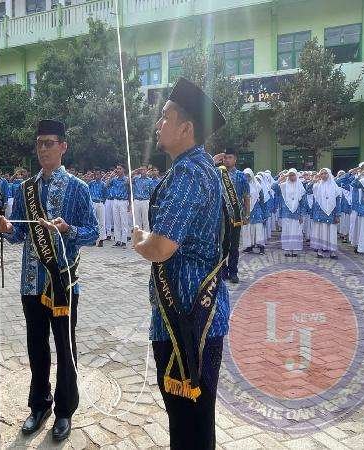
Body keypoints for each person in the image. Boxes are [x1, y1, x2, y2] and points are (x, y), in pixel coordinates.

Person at [132, 77, 229, 450]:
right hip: (198, 312)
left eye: (165, 117)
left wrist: (140, 241)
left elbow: (162, 247)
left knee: (189, 424)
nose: (159, 124)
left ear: (186, 128)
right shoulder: (201, 167)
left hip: (187, 318)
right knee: (195, 424)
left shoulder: (187, 172)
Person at [0, 119, 99, 442]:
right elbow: (20, 234)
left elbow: (93, 232)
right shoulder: (24, 189)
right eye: (39, 143)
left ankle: (65, 411)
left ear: (63, 146)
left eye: (50, 143)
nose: (43, 149)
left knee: (65, 348)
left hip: (62, 283)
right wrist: (7, 228)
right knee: (36, 346)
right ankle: (39, 405)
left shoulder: (78, 188)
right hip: (31, 282)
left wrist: (68, 229)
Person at [219, 148, 249, 283]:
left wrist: (247, 215)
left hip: (236, 216)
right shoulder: (219, 174)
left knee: (234, 246)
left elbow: (246, 197)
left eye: (229, 157)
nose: (227, 160)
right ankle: (222, 271)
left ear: (235, 159)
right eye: (225, 158)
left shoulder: (241, 176)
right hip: (221, 216)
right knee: (222, 245)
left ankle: (233, 272)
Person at [273, 169, 308, 257]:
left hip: (297, 213)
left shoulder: (300, 186)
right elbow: (273, 186)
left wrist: (302, 215)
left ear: (296, 175)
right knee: (287, 231)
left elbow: (303, 203)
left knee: (296, 232)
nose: (292, 177)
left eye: (293, 175)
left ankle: (295, 249)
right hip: (286, 213)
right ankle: (287, 249)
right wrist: (282, 178)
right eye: (290, 175)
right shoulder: (283, 186)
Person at [308, 168, 341, 258]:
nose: (323, 175)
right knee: (320, 232)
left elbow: (338, 201)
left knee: (331, 232)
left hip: (331, 214)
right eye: (321, 174)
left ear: (329, 174)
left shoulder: (334, 186)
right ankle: (320, 251)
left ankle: (332, 252)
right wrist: (313, 180)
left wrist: (337, 215)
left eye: (325, 173)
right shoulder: (317, 186)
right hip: (319, 213)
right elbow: (308, 190)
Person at [239, 169, 266, 254]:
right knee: (247, 228)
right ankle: (249, 246)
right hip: (245, 210)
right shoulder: (241, 186)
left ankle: (261, 247)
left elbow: (262, 200)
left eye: (248, 176)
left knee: (258, 228)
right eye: (245, 176)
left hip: (256, 210)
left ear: (252, 176)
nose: (247, 178)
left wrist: (264, 213)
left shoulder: (258, 186)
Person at [107, 165, 131, 248]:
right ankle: (117, 240)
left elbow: (129, 192)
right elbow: (106, 185)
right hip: (115, 201)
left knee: (124, 221)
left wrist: (130, 204)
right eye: (117, 169)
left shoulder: (126, 180)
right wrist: (111, 176)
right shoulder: (114, 179)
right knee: (116, 221)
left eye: (120, 169)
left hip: (123, 201)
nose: (118, 170)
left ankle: (124, 241)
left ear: (123, 170)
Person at [88, 169, 108, 247]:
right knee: (93, 222)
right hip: (93, 203)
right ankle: (93, 239)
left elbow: (105, 194)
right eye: (95, 174)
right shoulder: (91, 184)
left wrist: (102, 201)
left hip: (100, 203)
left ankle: (101, 239)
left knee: (101, 222)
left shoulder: (103, 184)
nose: (97, 176)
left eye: (98, 174)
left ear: (101, 175)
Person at [132, 165, 153, 231]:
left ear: (147, 170)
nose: (143, 171)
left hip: (145, 200)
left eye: (144, 169)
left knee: (145, 219)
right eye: (141, 170)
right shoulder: (136, 179)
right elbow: (127, 181)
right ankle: (139, 234)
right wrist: (135, 171)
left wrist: (151, 202)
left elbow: (151, 192)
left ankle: (146, 234)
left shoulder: (150, 180)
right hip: (137, 200)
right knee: (137, 219)